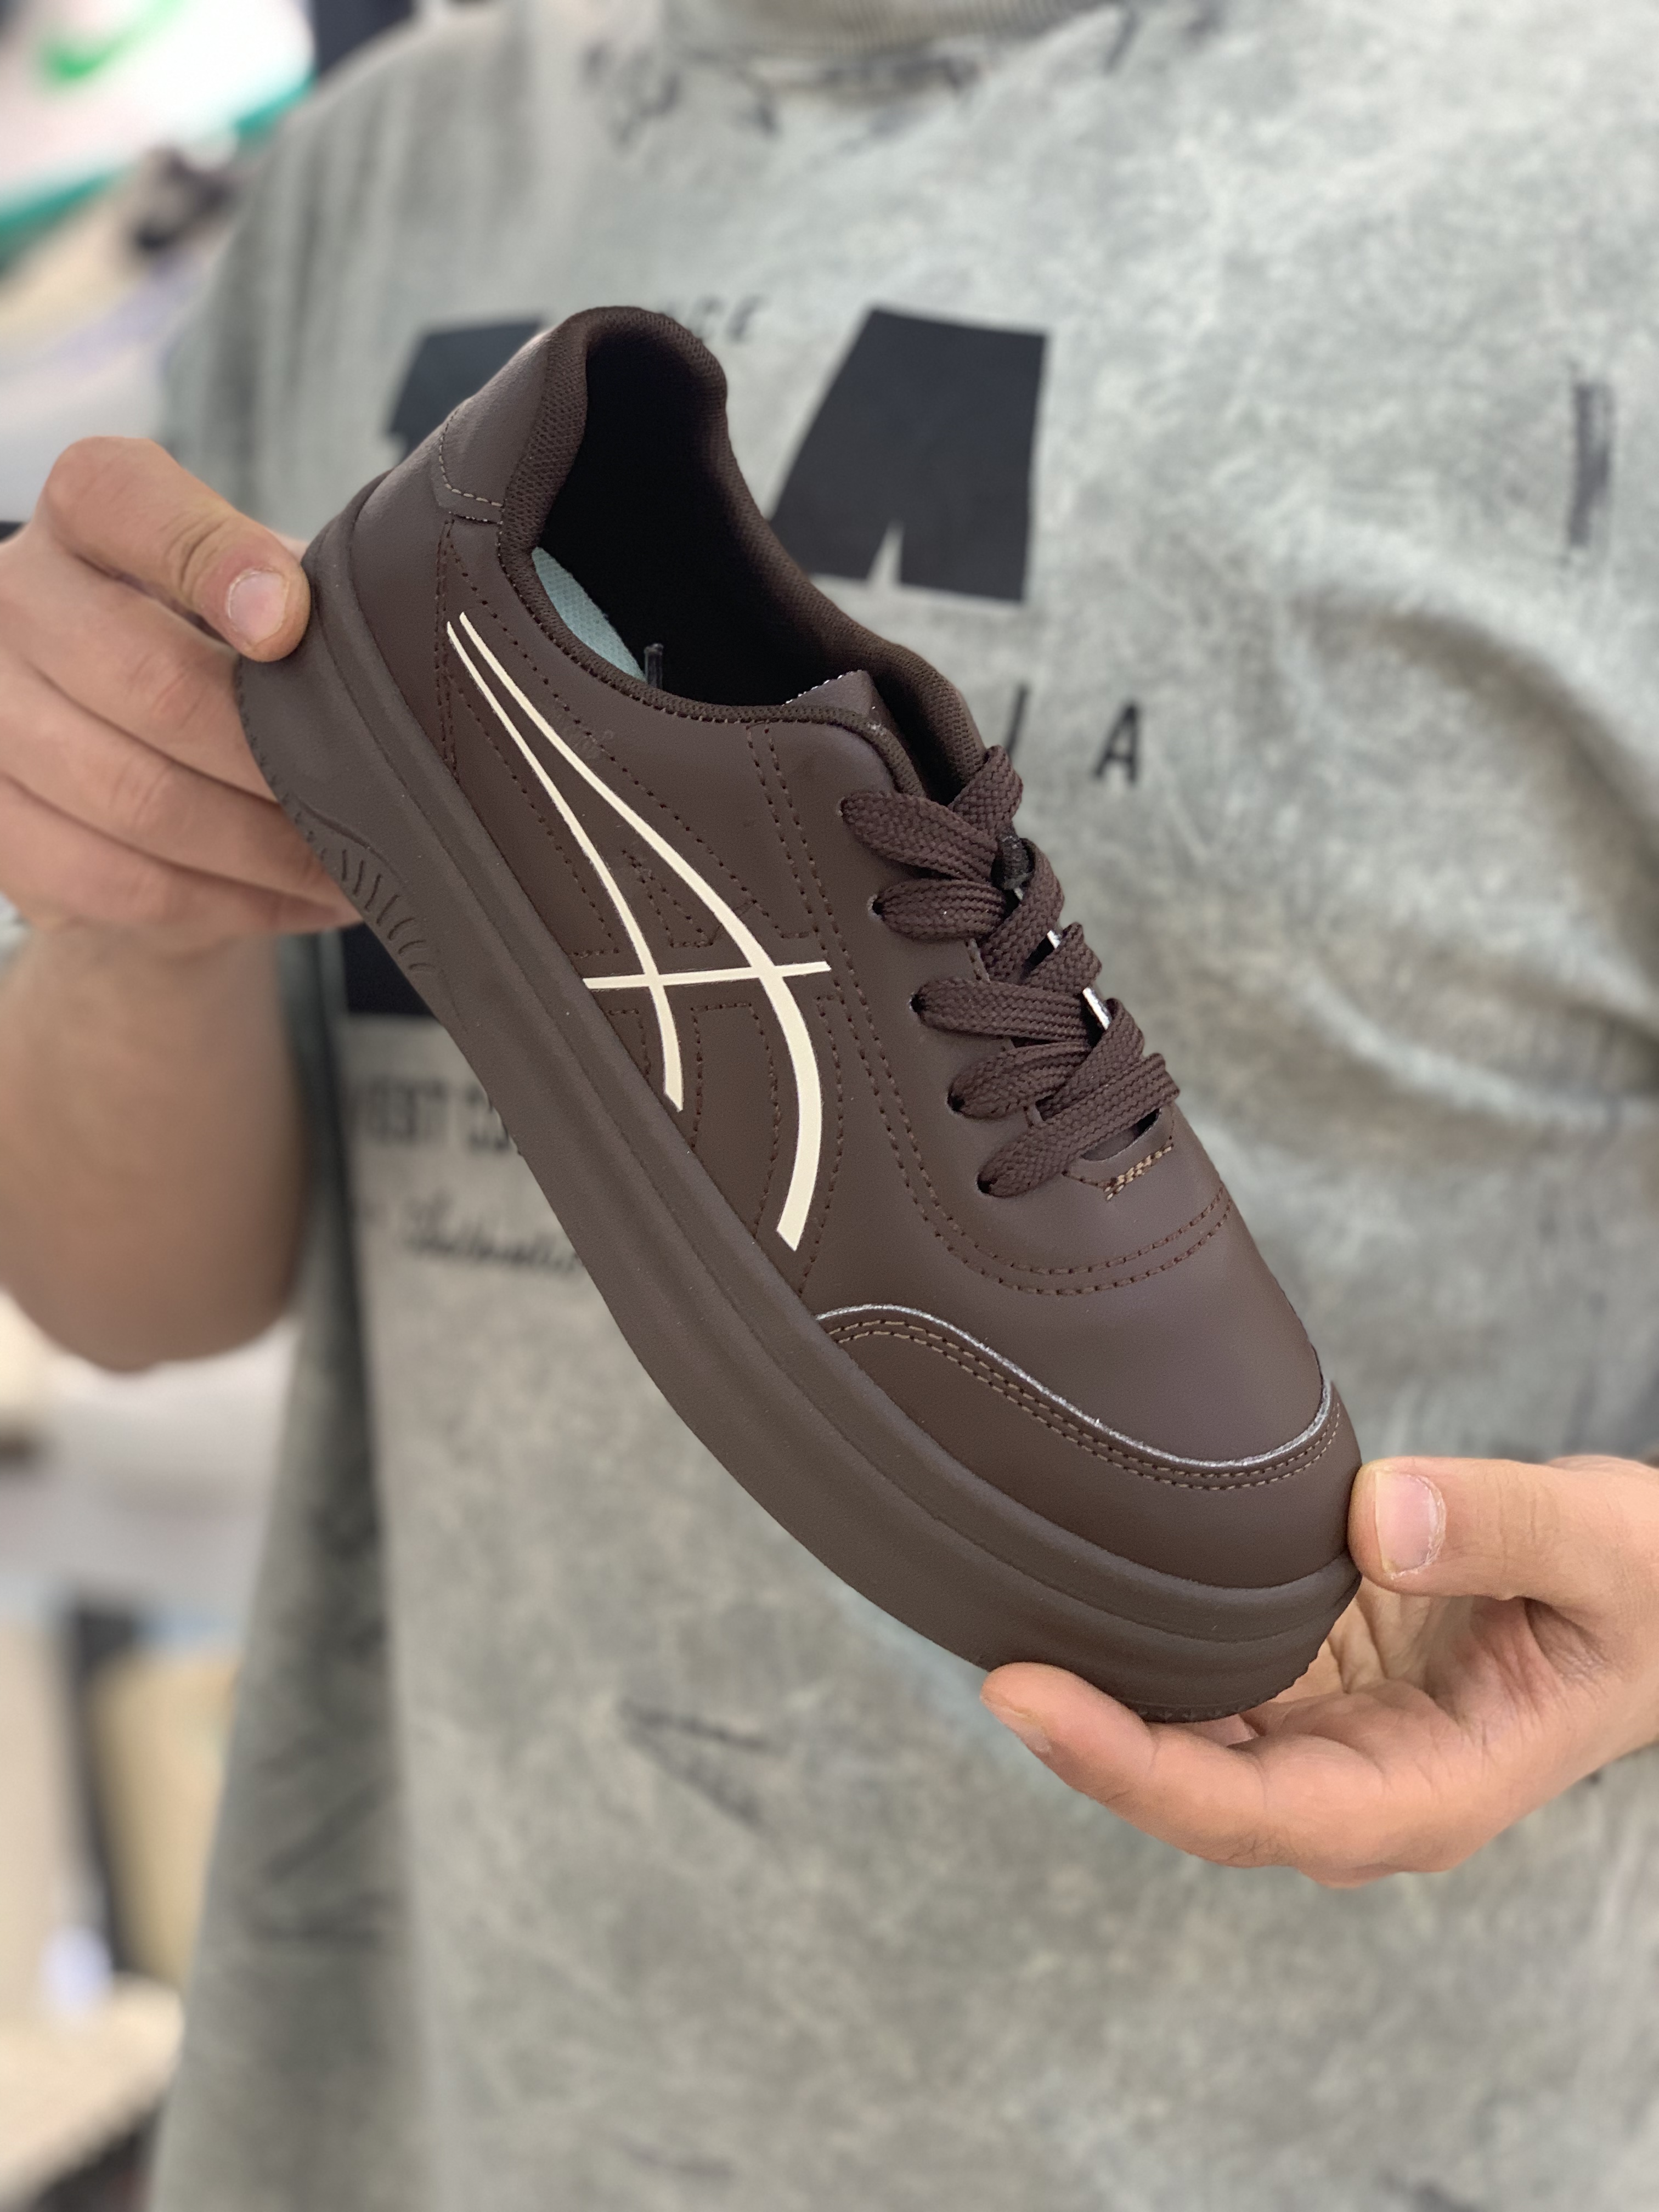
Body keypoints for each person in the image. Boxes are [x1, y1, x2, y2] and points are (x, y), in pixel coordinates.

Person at [2, 0, 1657, 2201]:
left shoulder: (1607, 164)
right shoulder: (370, 175)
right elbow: (134, 1295)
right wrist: (125, 900)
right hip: (429, 2104)